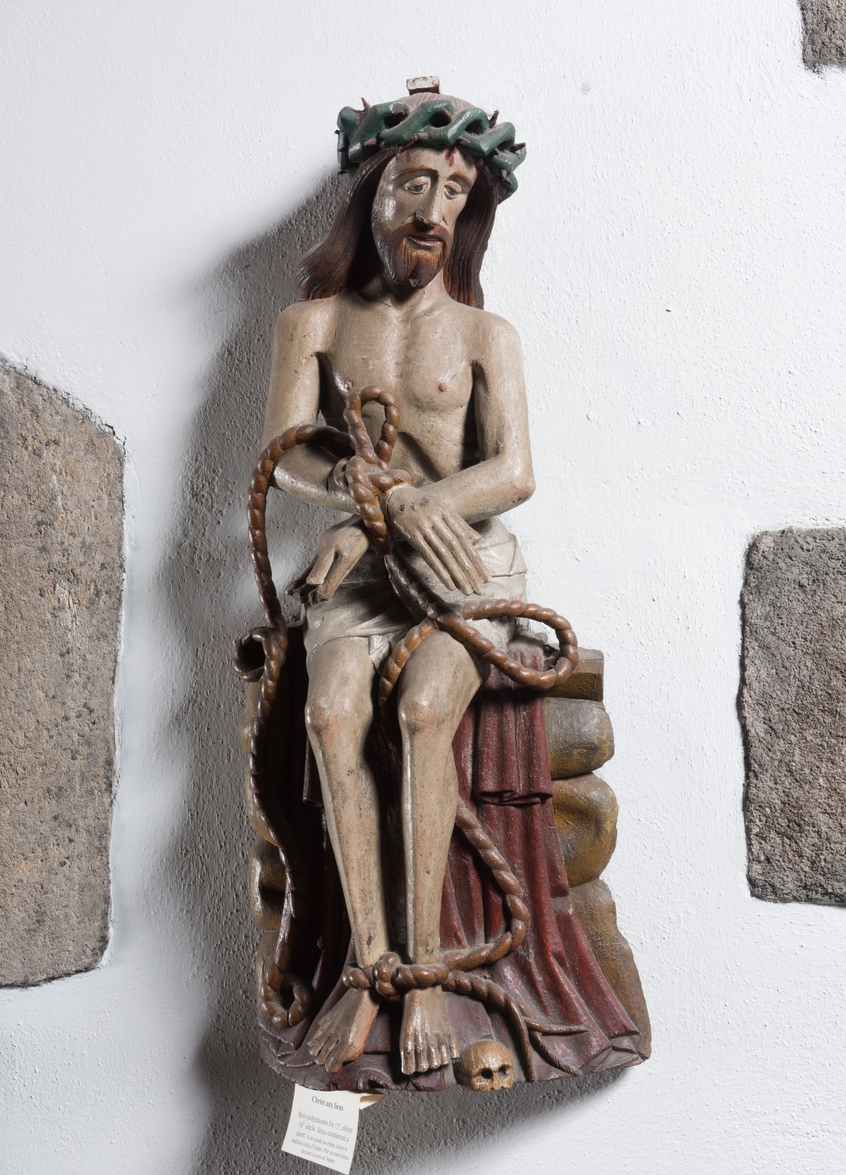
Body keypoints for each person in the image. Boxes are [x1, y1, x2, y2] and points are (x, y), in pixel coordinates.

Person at [261, 86, 536, 1077]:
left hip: (466, 566)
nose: (432, 208)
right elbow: (285, 453)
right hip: (367, 567)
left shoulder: (485, 335)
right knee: (331, 712)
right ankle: (368, 967)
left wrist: (421, 506)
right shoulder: (314, 323)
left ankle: (422, 975)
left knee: (423, 712)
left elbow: (514, 471)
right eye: (414, 183)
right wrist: (357, 496)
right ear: (372, 193)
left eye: (454, 193)